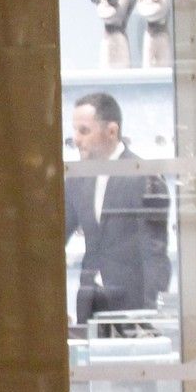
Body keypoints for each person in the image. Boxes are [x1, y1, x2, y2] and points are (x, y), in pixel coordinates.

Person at [64, 92, 171, 324]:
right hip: (89, 303)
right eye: (74, 131)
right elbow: (53, 238)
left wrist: (153, 316)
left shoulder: (144, 177)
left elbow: (155, 256)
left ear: (111, 131)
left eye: (84, 131)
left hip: (133, 307)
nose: (76, 139)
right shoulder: (76, 178)